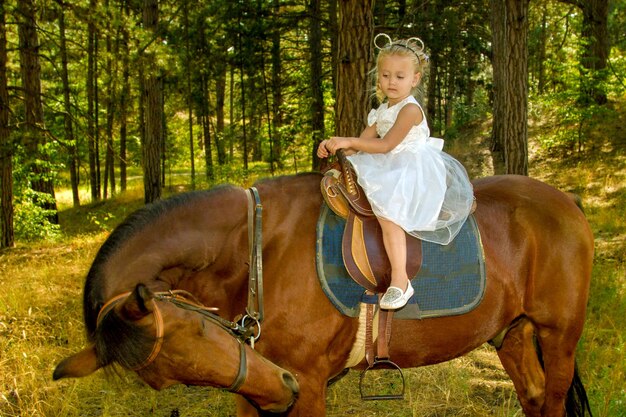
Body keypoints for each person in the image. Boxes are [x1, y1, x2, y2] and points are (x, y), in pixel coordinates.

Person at [317, 34, 474, 310]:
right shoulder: (381, 111)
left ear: (414, 79)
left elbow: (387, 144)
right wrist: (334, 145)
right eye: (386, 75)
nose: (392, 81)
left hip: (410, 168)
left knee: (388, 214)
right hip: (386, 162)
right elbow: (360, 146)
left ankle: (401, 281)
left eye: (400, 77)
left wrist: (350, 142)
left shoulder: (411, 109)